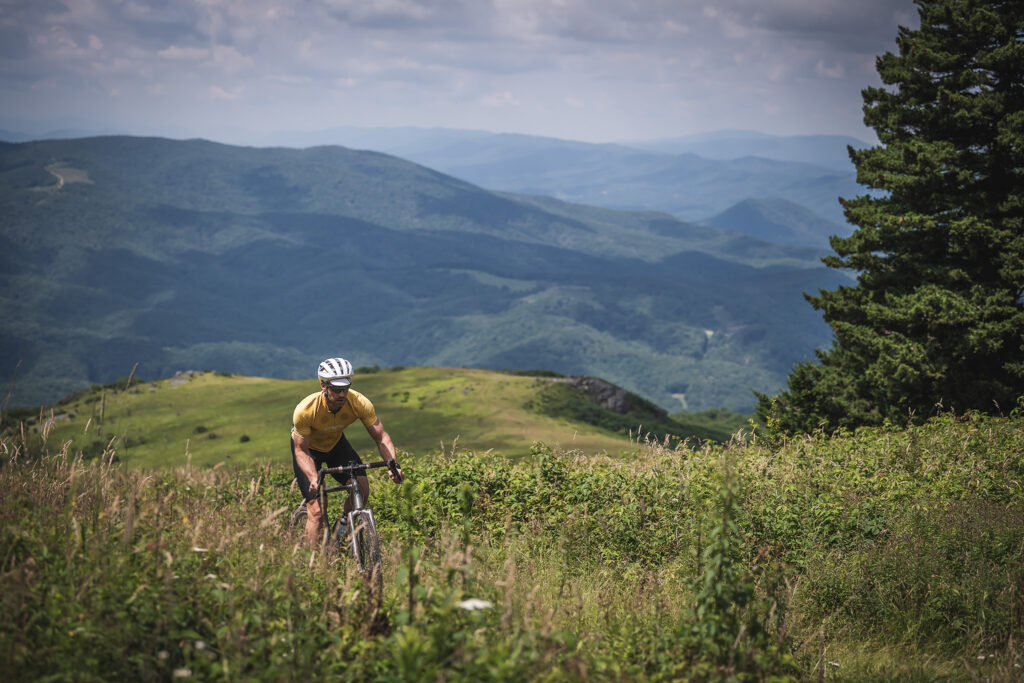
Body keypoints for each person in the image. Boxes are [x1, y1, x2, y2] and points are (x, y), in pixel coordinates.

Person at [291, 357, 404, 546]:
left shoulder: (359, 402)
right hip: (309, 452)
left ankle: (340, 531)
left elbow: (381, 437)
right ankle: (311, 566)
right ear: (323, 385)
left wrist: (394, 465)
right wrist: (312, 477)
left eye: (346, 387)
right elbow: (301, 450)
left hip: (336, 445)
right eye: (336, 389)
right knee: (317, 511)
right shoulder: (305, 410)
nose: (342, 394)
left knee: (362, 489)